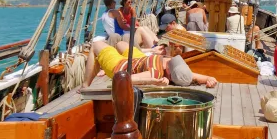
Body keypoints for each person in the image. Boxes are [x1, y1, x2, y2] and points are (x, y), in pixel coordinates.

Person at [84, 39, 217, 88]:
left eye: (171, 64)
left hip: (121, 66)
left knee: (96, 45)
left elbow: (127, 79)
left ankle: (85, 85)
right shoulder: (173, 67)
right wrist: (209, 79)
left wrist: (153, 81)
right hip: (141, 59)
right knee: (120, 43)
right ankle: (100, 65)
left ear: (169, 74)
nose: (170, 60)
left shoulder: (155, 73)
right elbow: (193, 76)